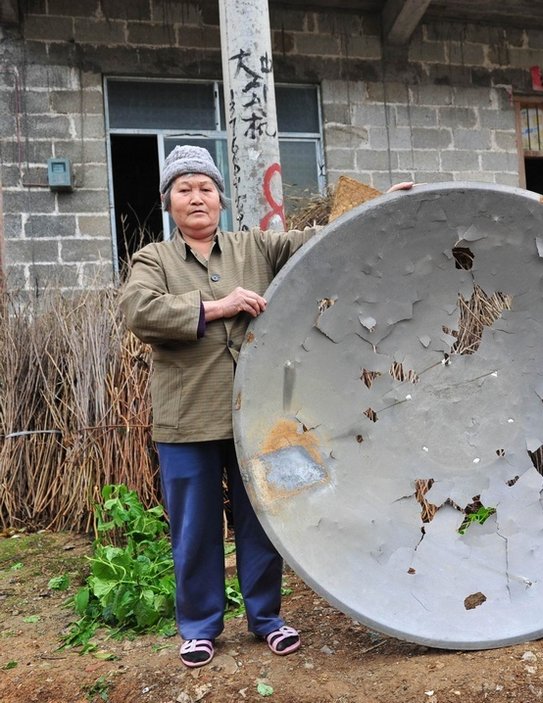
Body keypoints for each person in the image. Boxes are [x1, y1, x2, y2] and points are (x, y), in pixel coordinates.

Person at [121, 145, 410, 668]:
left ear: (221, 197)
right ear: (169, 202)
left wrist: (377, 208)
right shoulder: (153, 260)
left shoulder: (254, 246)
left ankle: (266, 619)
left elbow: (318, 243)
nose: (197, 197)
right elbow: (141, 312)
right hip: (187, 419)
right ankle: (201, 626)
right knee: (196, 526)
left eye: (206, 187)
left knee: (265, 519)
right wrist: (218, 306)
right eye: (184, 189)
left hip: (258, 418)